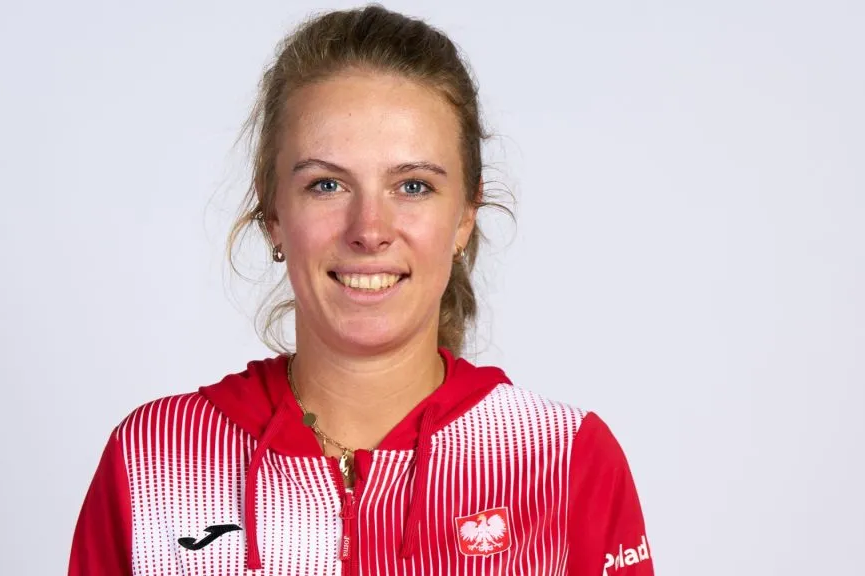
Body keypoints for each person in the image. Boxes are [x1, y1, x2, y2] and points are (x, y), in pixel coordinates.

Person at [69, 4, 654, 575]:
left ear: (465, 216)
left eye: (413, 186)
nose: (369, 230)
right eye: (326, 184)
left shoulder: (564, 461)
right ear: (274, 214)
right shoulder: (153, 460)